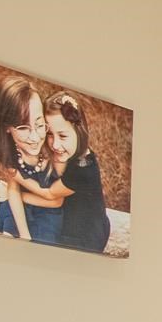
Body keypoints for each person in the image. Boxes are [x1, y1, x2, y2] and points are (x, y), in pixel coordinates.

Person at [0, 77, 59, 243]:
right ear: (7, 128)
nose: (34, 137)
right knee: (9, 220)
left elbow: (56, 202)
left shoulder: (54, 149)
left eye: (40, 125)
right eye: (24, 128)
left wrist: (20, 195)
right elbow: (13, 191)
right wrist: (24, 235)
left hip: (50, 212)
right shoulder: (11, 154)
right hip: (20, 208)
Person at [41, 94, 111, 255]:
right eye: (49, 134)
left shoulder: (83, 167)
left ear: (79, 132)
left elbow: (51, 194)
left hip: (82, 238)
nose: (55, 144)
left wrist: (15, 192)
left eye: (63, 136)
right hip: (78, 224)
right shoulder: (75, 154)